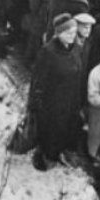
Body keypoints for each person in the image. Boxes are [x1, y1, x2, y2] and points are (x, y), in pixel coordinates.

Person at [30, 14, 84, 169]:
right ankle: (46, 155)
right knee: (51, 130)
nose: (71, 36)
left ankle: (59, 152)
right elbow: (38, 80)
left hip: (71, 99)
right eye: (67, 33)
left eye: (74, 32)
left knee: (67, 128)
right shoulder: (48, 52)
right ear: (58, 33)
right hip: (52, 101)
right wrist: (36, 102)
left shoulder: (76, 49)